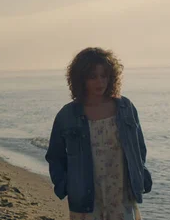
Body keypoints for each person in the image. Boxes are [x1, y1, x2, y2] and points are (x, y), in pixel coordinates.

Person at [45, 47, 152, 220]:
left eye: (104, 76)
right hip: (86, 199)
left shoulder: (125, 108)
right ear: (80, 79)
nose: (100, 82)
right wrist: (66, 186)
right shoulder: (67, 115)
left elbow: (139, 149)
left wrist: (139, 175)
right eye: (92, 76)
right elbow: (55, 156)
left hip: (122, 196)